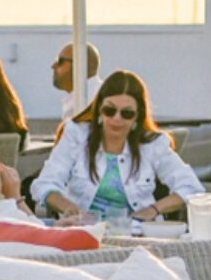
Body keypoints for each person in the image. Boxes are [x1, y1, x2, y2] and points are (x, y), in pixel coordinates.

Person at [31, 70, 202, 225]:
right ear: (99, 110)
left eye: (127, 113)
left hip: (137, 234)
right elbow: (44, 184)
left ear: (137, 118)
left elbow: (192, 188)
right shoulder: (77, 135)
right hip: (84, 231)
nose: (117, 118)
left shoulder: (153, 144)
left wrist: (153, 210)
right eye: (109, 110)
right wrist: (71, 209)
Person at [52, 41, 102, 121]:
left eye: (60, 61)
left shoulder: (96, 99)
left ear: (80, 64)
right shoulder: (80, 97)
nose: (53, 66)